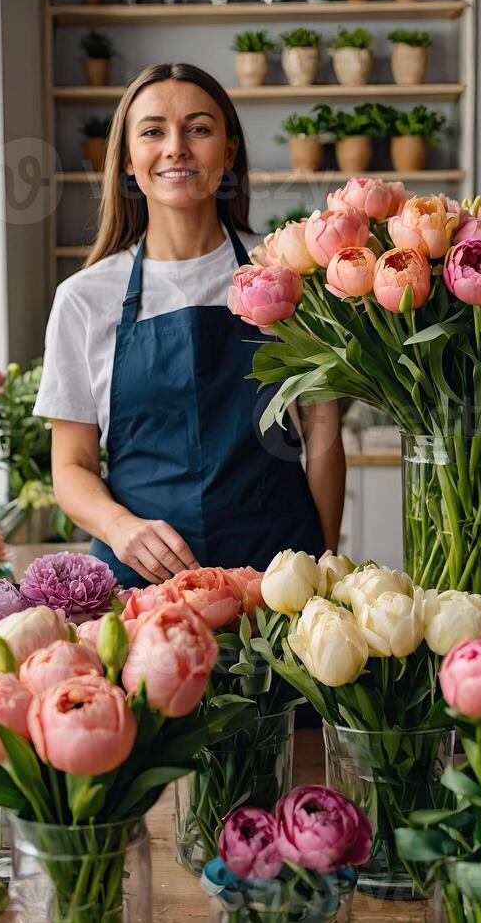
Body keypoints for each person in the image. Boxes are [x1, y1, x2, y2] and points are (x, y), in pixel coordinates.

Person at [33, 62, 346, 587]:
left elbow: (322, 437)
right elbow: (71, 467)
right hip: (138, 585)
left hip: (277, 579)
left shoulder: (289, 278)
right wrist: (119, 526)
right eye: (153, 131)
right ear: (129, 160)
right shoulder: (84, 299)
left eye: (198, 129)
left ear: (227, 152)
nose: (176, 146)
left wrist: (326, 566)